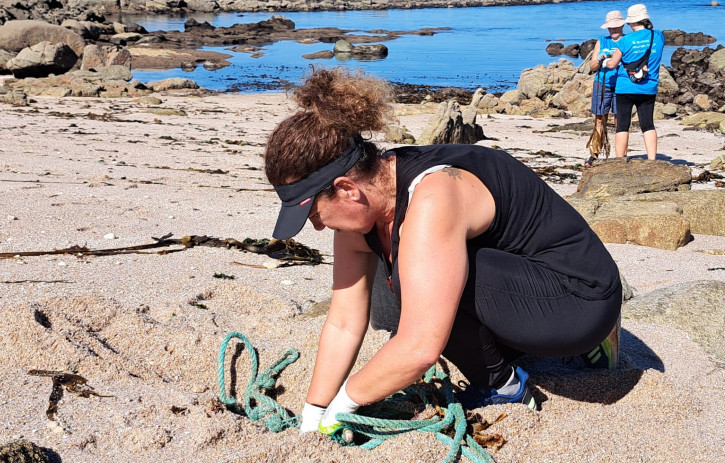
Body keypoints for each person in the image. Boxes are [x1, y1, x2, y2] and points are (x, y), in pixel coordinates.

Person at [264, 68, 622, 436]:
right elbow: (343, 321)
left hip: (584, 298)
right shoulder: (364, 208)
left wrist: (346, 404)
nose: (318, 227)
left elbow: (420, 348)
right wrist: (314, 412)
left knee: (419, 285)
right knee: (414, 285)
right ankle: (532, 350)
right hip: (526, 287)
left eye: (312, 214)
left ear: (346, 189)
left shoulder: (432, 195)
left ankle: (508, 389)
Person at [604, 3, 665, 160]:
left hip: (625, 87)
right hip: (648, 86)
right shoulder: (658, 36)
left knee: (623, 125)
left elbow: (612, 65)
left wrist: (604, 60)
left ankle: (619, 160)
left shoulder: (625, 41)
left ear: (630, 22)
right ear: (645, 19)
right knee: (648, 124)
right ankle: (652, 159)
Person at [585, 10, 625, 167]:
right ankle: (594, 154)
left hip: (622, 85)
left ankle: (620, 155)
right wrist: (601, 59)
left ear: (622, 25)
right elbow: (592, 66)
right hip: (602, 84)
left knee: (620, 120)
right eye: (610, 27)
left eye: (616, 27)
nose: (613, 30)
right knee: (600, 120)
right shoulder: (602, 41)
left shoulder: (628, 40)